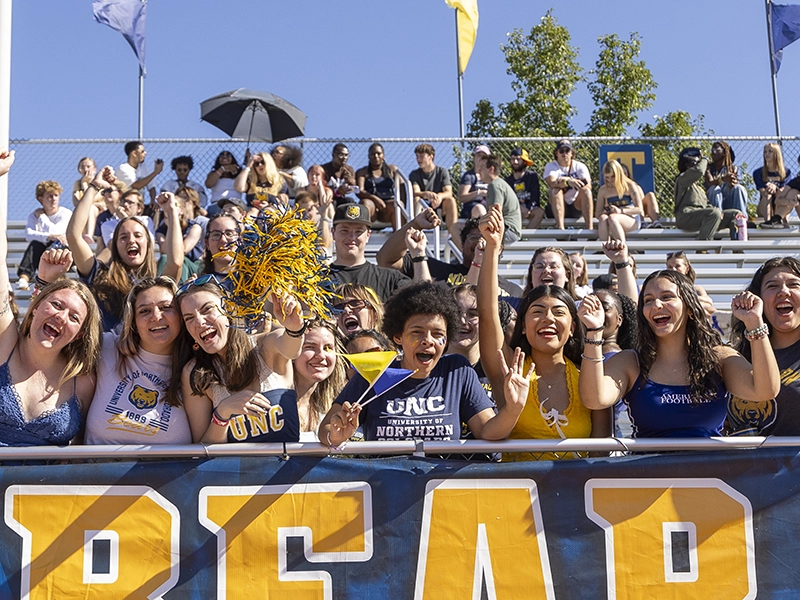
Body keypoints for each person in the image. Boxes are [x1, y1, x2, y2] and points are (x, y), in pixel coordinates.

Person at [320, 280, 528, 446]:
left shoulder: (457, 370)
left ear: (447, 339)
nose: (427, 340)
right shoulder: (376, 371)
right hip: (384, 492)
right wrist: (336, 437)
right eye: (417, 332)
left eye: (437, 333)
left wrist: (513, 409)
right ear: (398, 336)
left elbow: (487, 431)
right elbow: (326, 429)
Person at [577, 269, 780, 438]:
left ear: (690, 308)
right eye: (648, 300)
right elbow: (595, 399)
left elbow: (765, 390)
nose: (656, 305)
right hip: (647, 478)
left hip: (710, 479)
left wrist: (755, 323)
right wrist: (594, 332)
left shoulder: (719, 358)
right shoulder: (630, 362)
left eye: (667, 297)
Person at [477, 205, 610, 460]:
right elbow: (487, 313)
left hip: (577, 495)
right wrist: (492, 248)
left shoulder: (590, 379)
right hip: (518, 494)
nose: (548, 318)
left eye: (559, 312)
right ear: (523, 327)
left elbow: (601, 456)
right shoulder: (507, 369)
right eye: (537, 311)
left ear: (573, 328)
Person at [0, 208, 101, 445]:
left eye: (75, 318)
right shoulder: (6, 343)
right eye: (56, 304)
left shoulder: (83, 382)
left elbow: (79, 452)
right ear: (34, 307)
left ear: (79, 335)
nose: (62, 317)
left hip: (44, 482)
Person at [174, 280, 304, 444]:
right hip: (236, 469)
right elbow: (201, 449)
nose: (199, 322)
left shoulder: (265, 347)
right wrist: (222, 413)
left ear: (229, 310)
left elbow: (291, 349)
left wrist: (295, 329)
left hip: (288, 467)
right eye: (189, 318)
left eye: (207, 309)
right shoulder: (195, 373)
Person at [67, 167, 182, 332]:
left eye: (138, 235)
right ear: (115, 246)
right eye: (123, 237)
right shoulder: (99, 276)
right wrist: (94, 186)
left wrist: (171, 211)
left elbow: (176, 262)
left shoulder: (156, 285)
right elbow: (73, 236)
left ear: (149, 243)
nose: (131, 241)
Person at [85, 276, 191, 444]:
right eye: (144, 311)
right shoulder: (107, 347)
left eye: (166, 307)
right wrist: (45, 281)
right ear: (133, 321)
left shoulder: (195, 368)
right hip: (96, 468)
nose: (156, 316)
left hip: (167, 469)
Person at [726, 257, 800, 435]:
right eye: (772, 286)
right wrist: (753, 322)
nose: (783, 292)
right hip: (746, 462)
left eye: (793, 284)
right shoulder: (734, 358)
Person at [376, 210, 523, 297]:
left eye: (487, 238)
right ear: (462, 244)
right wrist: (415, 224)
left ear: (500, 248)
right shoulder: (434, 269)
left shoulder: (513, 290)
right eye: (474, 238)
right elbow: (385, 259)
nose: (481, 243)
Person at [328, 203, 408, 302]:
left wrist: (419, 256)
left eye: (358, 232)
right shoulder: (318, 280)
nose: (351, 237)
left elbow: (424, 303)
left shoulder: (389, 279)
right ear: (333, 233)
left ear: (368, 235)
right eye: (344, 230)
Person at [293, 319, 347, 441]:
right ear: (291, 352)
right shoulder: (271, 399)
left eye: (328, 348)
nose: (321, 355)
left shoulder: (334, 405)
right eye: (310, 347)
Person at [674, 147, 741, 241]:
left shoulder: (699, 189)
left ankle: (737, 249)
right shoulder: (682, 179)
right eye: (696, 163)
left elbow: (706, 205)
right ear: (687, 165)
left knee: (735, 214)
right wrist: (705, 159)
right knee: (714, 214)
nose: (699, 164)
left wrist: (716, 210)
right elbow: (699, 171)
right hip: (686, 217)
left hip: (702, 216)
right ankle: (702, 249)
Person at [17, 180, 73, 291]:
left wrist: (42, 217)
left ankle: (46, 279)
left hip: (63, 250)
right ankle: (24, 278)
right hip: (43, 249)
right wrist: (48, 236)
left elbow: (57, 231)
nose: (54, 199)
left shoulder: (65, 213)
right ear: (40, 199)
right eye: (49, 196)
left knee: (56, 243)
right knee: (35, 244)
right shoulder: (33, 216)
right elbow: (29, 234)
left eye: (56, 195)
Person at [409, 143, 459, 247]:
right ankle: (417, 234)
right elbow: (415, 192)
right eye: (417, 156)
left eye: (421, 156)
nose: (418, 159)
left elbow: (448, 192)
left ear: (431, 156)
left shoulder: (442, 172)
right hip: (424, 206)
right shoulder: (414, 174)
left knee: (451, 200)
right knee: (417, 199)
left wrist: (439, 196)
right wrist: (426, 194)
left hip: (440, 207)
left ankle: (453, 237)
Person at [543, 139, 593, 230]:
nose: (564, 154)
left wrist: (565, 181)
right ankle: (560, 229)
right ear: (556, 153)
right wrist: (569, 182)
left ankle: (590, 229)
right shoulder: (551, 166)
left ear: (572, 153)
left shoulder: (580, 166)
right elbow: (552, 183)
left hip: (576, 205)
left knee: (586, 191)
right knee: (556, 191)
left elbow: (588, 185)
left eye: (567, 151)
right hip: (557, 206)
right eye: (561, 151)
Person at [477, 154, 522, 245]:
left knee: (472, 236)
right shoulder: (498, 184)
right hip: (508, 230)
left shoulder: (495, 185)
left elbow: (494, 215)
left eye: (482, 167)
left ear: (491, 169)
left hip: (509, 232)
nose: (479, 170)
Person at [596, 160, 644, 243]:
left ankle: (622, 248)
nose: (610, 180)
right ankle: (604, 248)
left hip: (631, 219)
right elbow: (597, 214)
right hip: (611, 219)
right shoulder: (603, 190)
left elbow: (639, 209)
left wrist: (620, 211)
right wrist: (607, 211)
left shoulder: (630, 185)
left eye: (613, 176)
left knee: (613, 218)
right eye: (607, 177)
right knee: (603, 218)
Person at [665, 251, 717, 322]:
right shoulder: (665, 288)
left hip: (694, 316)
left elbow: (709, 301)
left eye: (677, 266)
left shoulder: (697, 289)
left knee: (704, 307)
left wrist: (689, 299)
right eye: (670, 267)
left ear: (687, 269)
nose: (673, 270)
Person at [356, 142, 399, 224]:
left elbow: (402, 188)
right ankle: (362, 234)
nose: (376, 156)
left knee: (397, 205)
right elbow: (360, 190)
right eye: (372, 154)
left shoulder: (392, 170)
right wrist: (375, 199)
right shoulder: (362, 172)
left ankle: (399, 235)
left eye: (378, 153)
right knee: (365, 204)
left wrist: (402, 203)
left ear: (384, 155)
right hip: (371, 206)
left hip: (387, 207)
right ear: (368, 156)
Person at [703, 141, 749, 216]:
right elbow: (710, 183)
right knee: (715, 189)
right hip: (712, 202)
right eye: (712, 150)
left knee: (739, 188)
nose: (713, 152)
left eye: (717, 150)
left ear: (724, 152)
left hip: (728, 201)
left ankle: (741, 218)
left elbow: (733, 186)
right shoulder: (709, 168)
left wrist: (731, 183)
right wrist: (722, 179)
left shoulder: (732, 168)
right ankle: (717, 218)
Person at [505, 147, 544, 229]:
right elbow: (508, 201)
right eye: (512, 159)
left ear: (524, 161)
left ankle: (526, 238)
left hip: (531, 209)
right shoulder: (507, 181)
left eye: (518, 159)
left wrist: (529, 208)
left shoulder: (532, 176)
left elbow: (535, 196)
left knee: (540, 212)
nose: (515, 162)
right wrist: (519, 207)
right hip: (516, 210)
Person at [753, 143, 791, 225]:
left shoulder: (786, 172)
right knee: (768, 195)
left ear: (776, 153)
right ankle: (767, 223)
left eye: (770, 151)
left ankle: (784, 224)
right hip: (764, 206)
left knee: (780, 195)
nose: (767, 154)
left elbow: (784, 190)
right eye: (765, 152)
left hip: (779, 205)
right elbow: (762, 191)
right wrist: (769, 189)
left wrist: (775, 187)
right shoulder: (758, 172)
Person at [198, 214, 242, 278]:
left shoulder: (256, 280)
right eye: (216, 235)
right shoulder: (199, 285)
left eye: (229, 233)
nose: (223, 240)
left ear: (240, 240)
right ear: (207, 244)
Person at [296, 190, 333, 257]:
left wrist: (323, 217)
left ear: (317, 207)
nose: (306, 214)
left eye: (310, 210)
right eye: (302, 211)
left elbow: (324, 244)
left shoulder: (326, 221)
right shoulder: (296, 224)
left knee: (322, 250)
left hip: (324, 262)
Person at [457, 145, 491, 220]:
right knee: (480, 208)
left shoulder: (491, 176)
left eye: (484, 157)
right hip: (471, 208)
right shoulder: (469, 176)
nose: (481, 159)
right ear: (474, 158)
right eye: (479, 156)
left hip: (489, 207)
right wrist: (479, 193)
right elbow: (462, 197)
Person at [71, 157, 101, 238]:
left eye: (88, 167)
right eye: (82, 167)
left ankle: (89, 235)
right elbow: (75, 202)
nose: (85, 169)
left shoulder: (99, 181)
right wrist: (83, 183)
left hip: (99, 212)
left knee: (90, 207)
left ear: (94, 169)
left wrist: (85, 184)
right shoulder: (78, 184)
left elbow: (93, 198)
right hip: (84, 212)